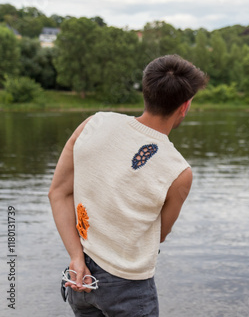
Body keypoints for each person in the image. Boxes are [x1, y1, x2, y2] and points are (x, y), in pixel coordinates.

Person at [49, 54, 208, 316]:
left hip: (80, 278)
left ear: (146, 91)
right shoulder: (179, 171)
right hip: (128, 287)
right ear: (185, 106)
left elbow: (58, 193)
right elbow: (158, 235)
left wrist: (76, 257)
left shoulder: (93, 123)